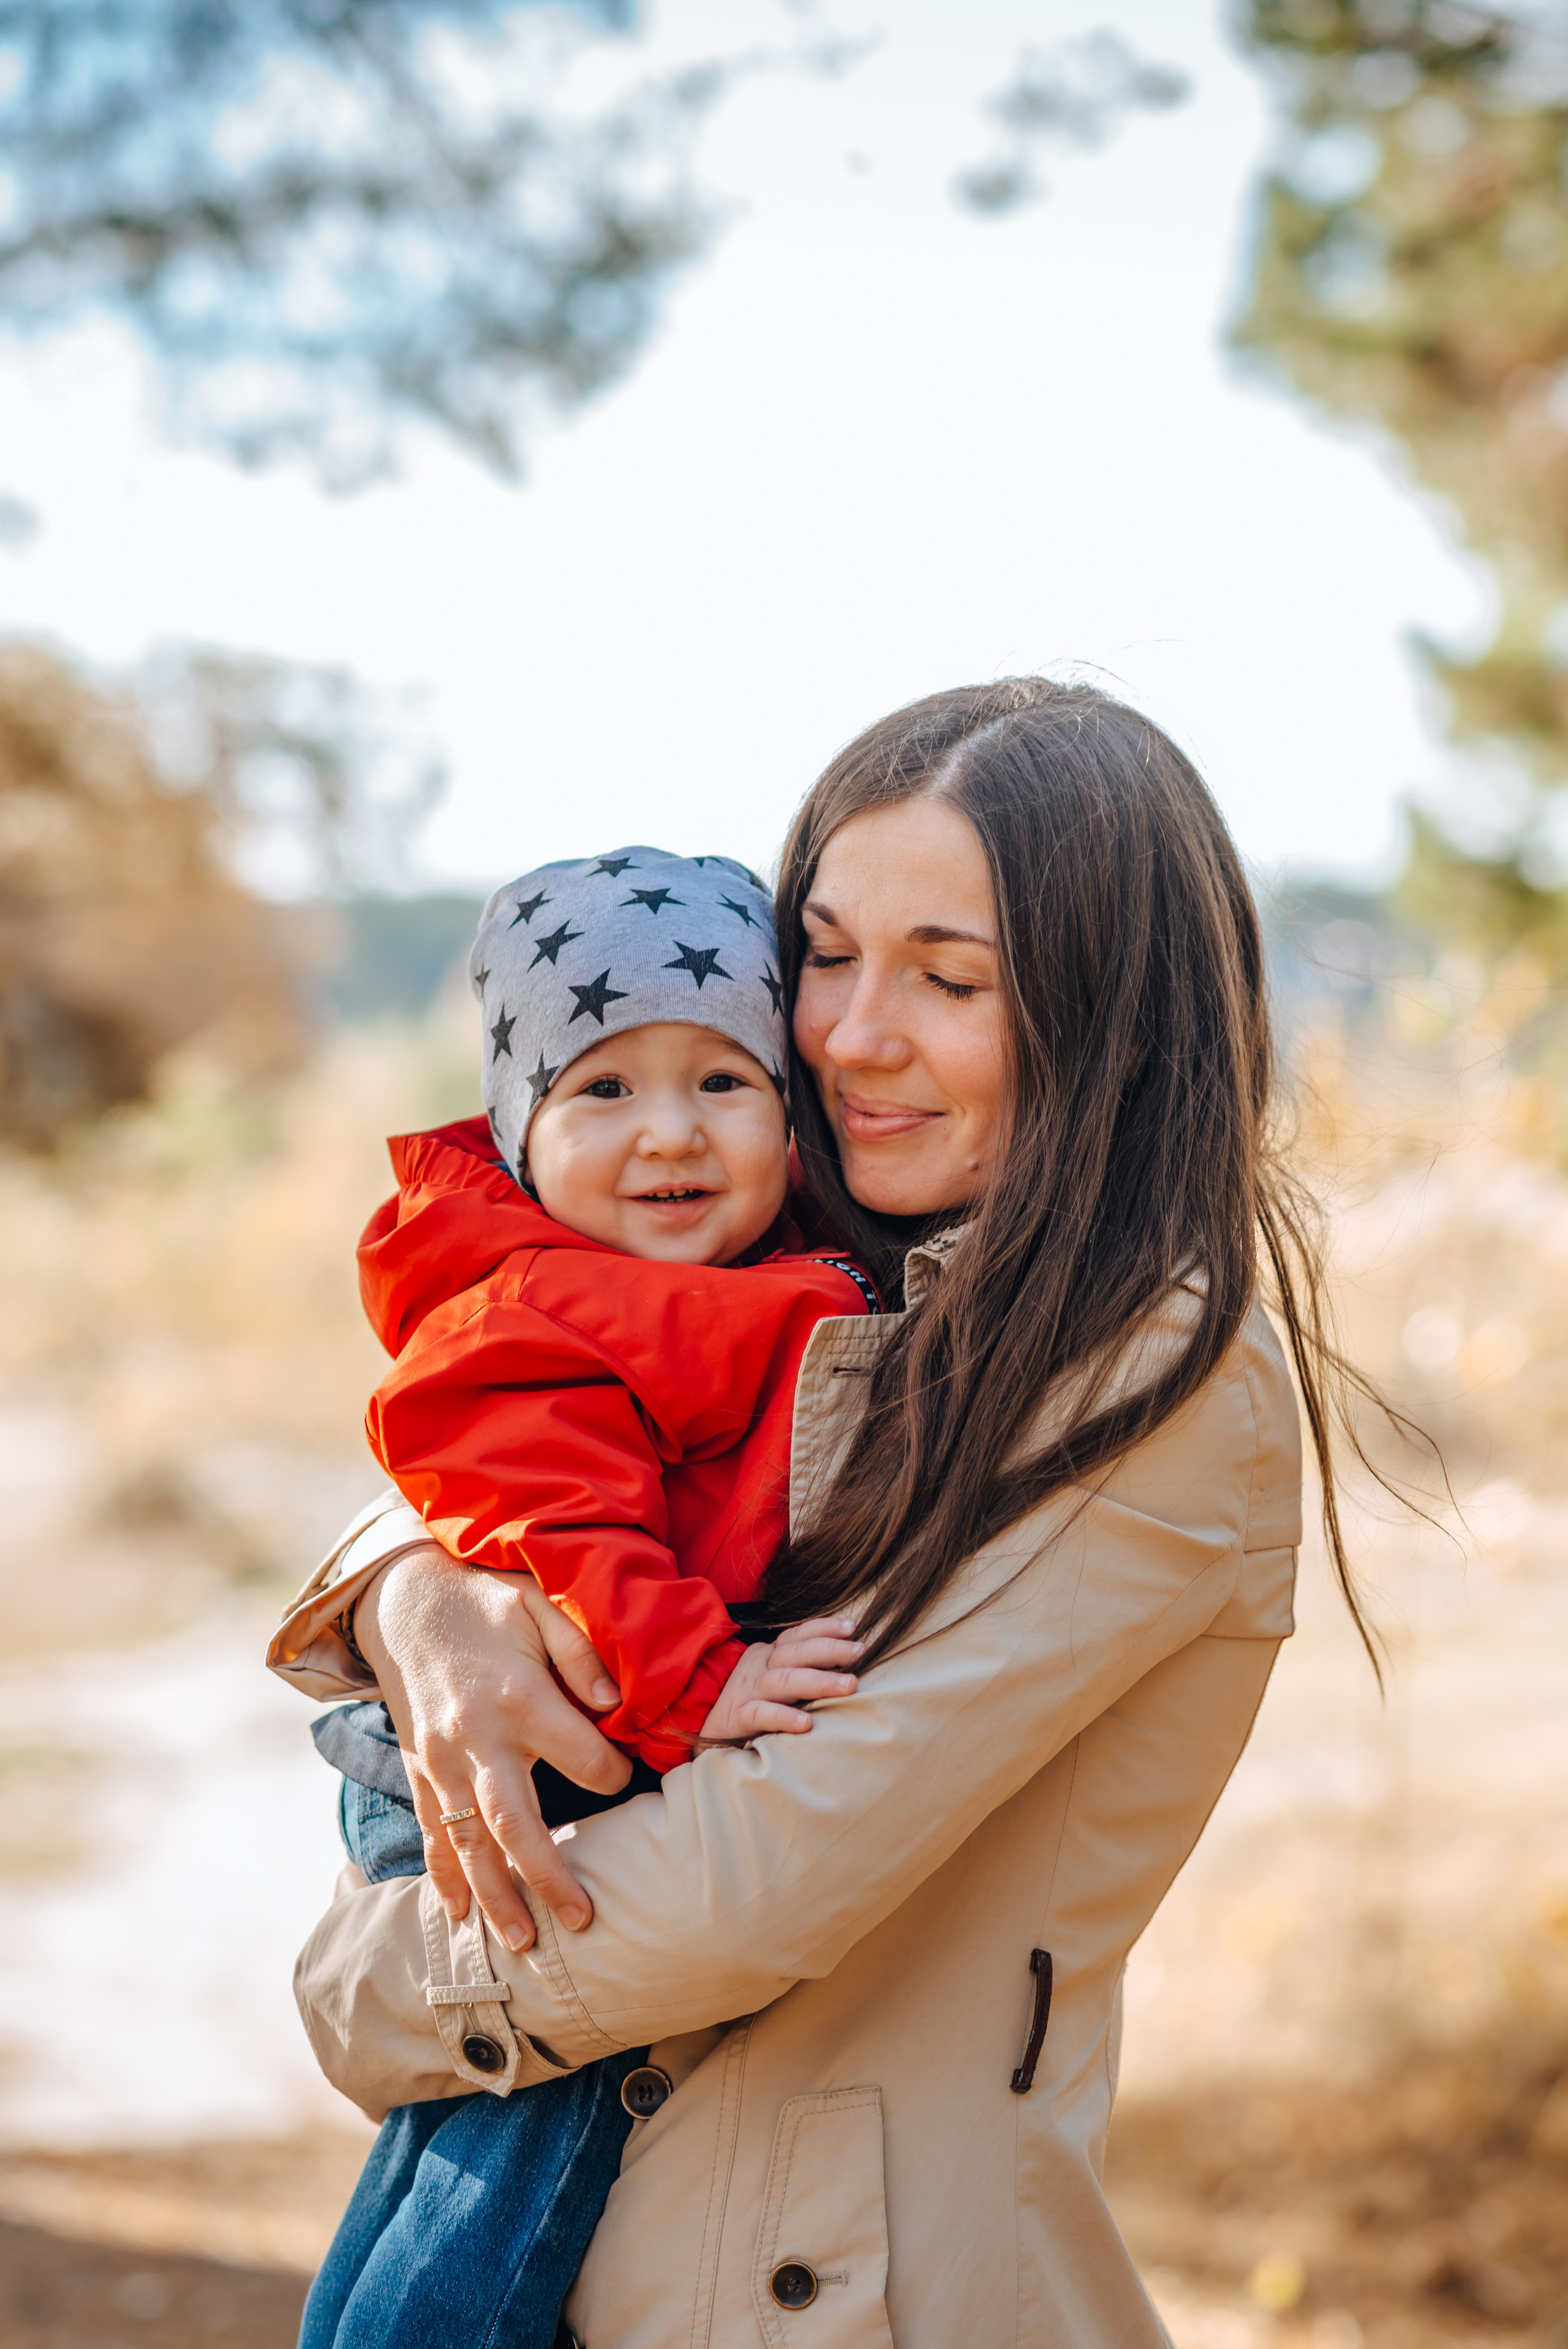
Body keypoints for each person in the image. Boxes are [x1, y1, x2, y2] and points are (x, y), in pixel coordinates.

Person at [276, 678, 1376, 2349]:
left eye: (949, 979)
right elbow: (512, 1419)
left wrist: (364, 1993)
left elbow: (757, 1879)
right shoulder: (815, 1269)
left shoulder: (1148, 1377)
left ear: (1113, 1021)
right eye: (826, 956)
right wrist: (421, 1590)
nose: (853, 1035)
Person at [286, 846, 879, 2348]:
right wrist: (701, 1681)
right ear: (518, 1126)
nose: (669, 1131)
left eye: (721, 1082)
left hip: (571, 1733)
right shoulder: (533, 1301)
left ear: (787, 1111)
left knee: (454, 2147)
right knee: (524, 2147)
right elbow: (560, 1523)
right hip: (516, 1768)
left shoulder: (724, 1276)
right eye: (602, 1088)